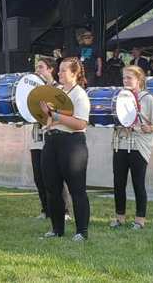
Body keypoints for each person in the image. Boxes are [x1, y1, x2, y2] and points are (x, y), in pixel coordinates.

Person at [37, 57, 91, 242]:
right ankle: (57, 229)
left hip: (72, 143)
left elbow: (80, 123)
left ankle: (81, 231)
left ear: (74, 73)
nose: (58, 73)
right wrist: (46, 116)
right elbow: (49, 118)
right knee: (52, 187)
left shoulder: (79, 94)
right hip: (52, 141)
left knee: (77, 189)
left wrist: (54, 115)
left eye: (63, 70)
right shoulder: (56, 92)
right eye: (59, 70)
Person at [110, 66, 153, 229]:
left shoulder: (148, 99)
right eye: (124, 78)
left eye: (129, 78)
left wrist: (149, 128)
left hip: (139, 145)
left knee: (138, 183)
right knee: (118, 183)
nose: (125, 81)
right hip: (120, 144)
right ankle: (119, 218)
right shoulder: (119, 97)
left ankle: (140, 220)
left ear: (139, 79)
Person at [30, 58, 73, 221]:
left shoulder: (58, 89)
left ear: (50, 70)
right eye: (36, 67)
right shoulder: (32, 91)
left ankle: (65, 211)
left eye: (41, 67)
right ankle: (45, 210)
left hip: (54, 137)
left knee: (56, 176)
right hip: (37, 137)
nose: (38, 70)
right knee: (39, 176)